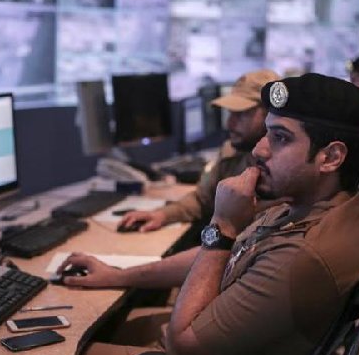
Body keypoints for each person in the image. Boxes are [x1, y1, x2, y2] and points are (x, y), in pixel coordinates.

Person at [61, 73, 359, 355]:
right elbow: (227, 255)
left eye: (280, 138)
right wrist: (117, 276)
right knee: (96, 327)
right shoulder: (312, 205)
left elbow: (182, 347)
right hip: (223, 351)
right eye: (266, 132)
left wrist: (223, 226)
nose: (260, 150)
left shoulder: (305, 253)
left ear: (331, 157)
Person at [120, 69, 281, 233]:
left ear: (271, 115)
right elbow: (202, 199)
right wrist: (162, 215)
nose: (230, 124)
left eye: (241, 114)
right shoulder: (231, 151)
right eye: (230, 113)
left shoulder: (283, 170)